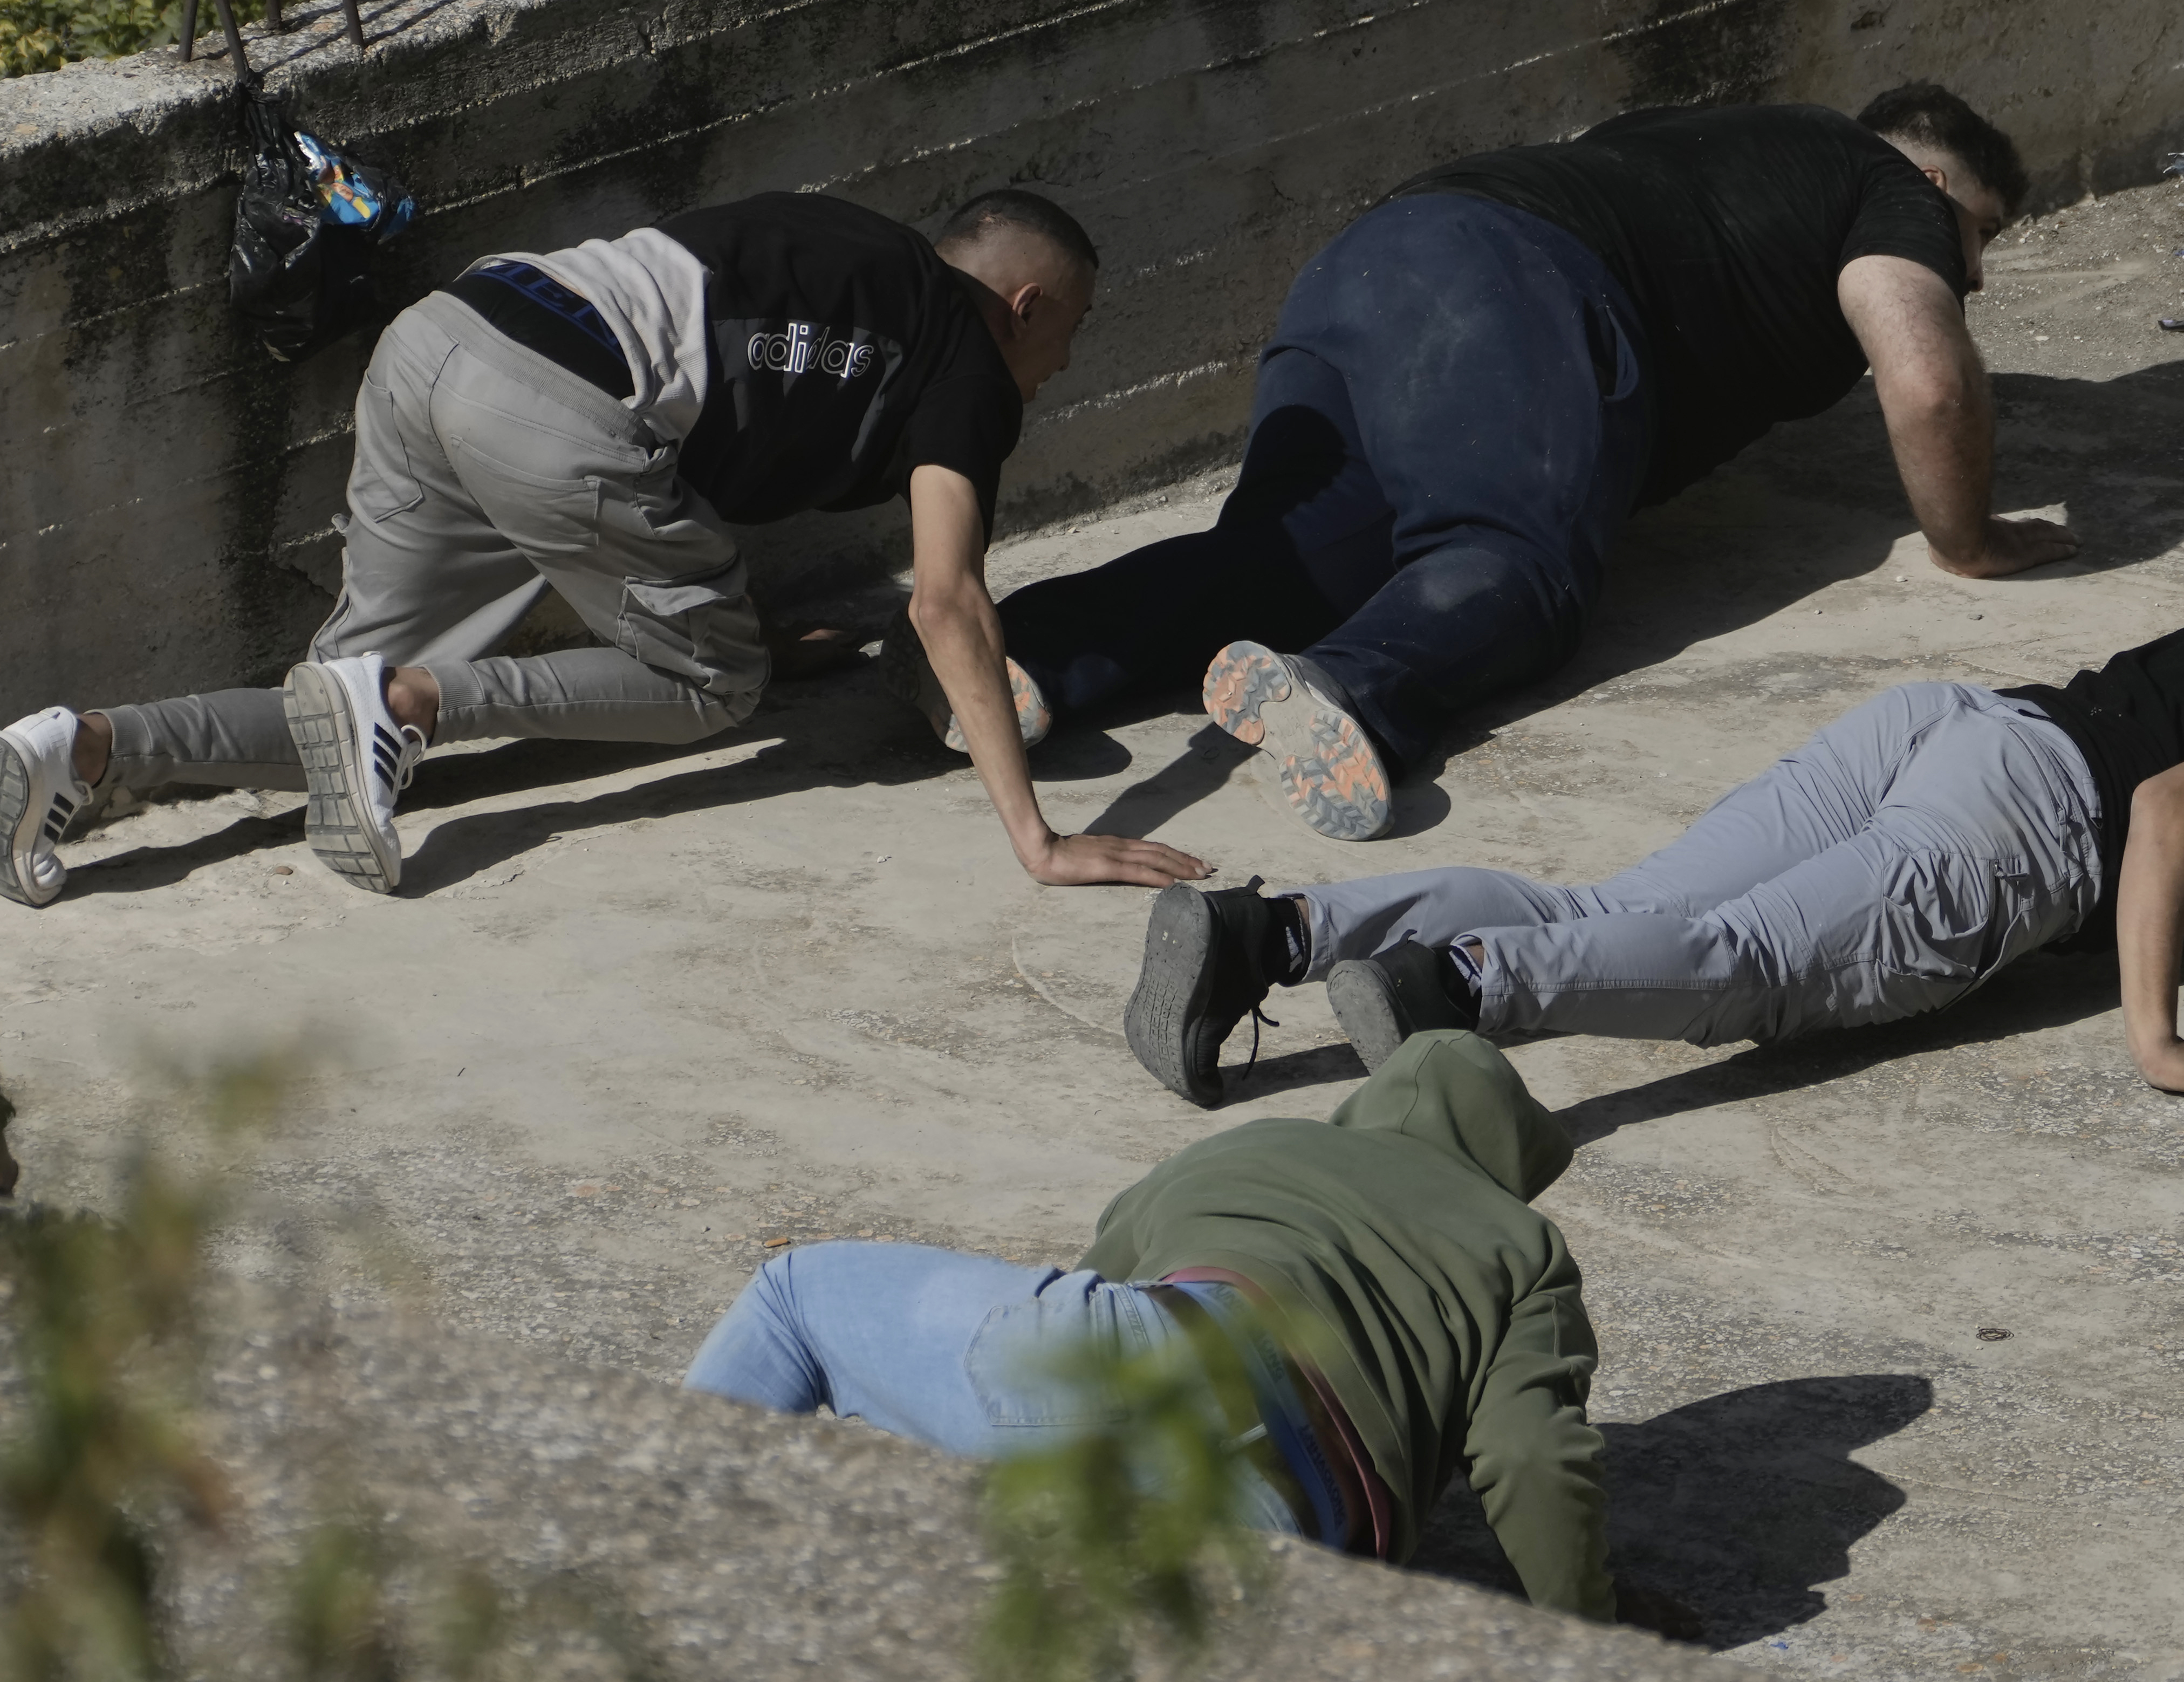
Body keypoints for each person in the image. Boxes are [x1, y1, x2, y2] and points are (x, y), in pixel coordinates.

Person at [1121, 501, 2184, 1105]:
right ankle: (1458, 988)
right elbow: (2178, 807)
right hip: (2021, 838)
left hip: (1957, 730)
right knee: (1740, 973)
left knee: (1633, 911)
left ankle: (1275, 935)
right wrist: (2162, 1042)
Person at [886, 85, 2076, 844]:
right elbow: (1924, 375)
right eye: (1982, 235)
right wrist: (1970, 540)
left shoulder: (1717, 141)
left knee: (1282, 559)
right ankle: (1354, 684)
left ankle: (1029, 652)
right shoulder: (1884, 185)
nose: (1976, 274)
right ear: (1935, 186)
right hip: (1508, 289)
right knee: (1510, 560)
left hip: (1373, 264)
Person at [0, 190, 1208, 906]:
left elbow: (718, 388)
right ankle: (408, 704)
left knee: (330, 720)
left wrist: (753, 628)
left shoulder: (846, 251)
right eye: (1074, 330)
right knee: (712, 682)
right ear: (1026, 304)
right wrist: (1037, 839)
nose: (1066, 364)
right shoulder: (967, 354)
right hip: (561, 407)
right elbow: (949, 604)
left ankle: (87, 750)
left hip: (447, 340)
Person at [681, 1030, 1613, 1621]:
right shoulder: (1522, 1245)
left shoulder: (1266, 1144)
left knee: (794, 1296)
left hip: (1140, 1356)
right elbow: (1533, 1460)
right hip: (1297, 1520)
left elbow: (1094, 1271)